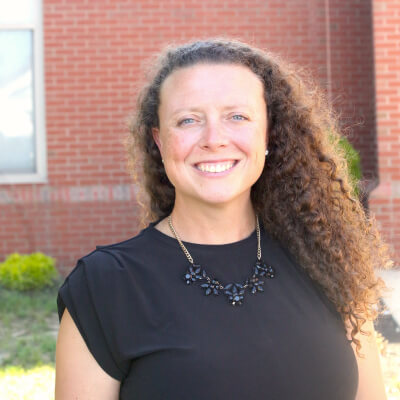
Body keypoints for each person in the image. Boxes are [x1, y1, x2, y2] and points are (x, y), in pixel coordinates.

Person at [55, 38, 393, 399]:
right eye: (188, 120)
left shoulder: (326, 261)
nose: (214, 139)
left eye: (237, 117)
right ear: (159, 141)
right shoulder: (104, 287)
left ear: (268, 133)